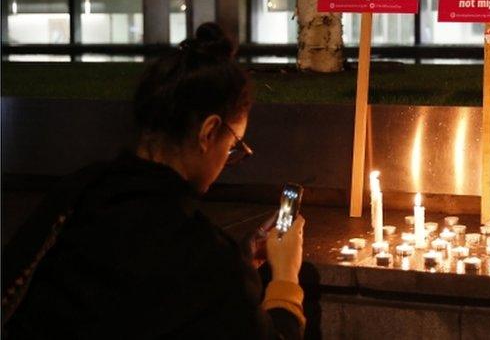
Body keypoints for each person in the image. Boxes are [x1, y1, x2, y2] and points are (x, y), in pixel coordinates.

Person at [2, 23, 306, 338]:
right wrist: (285, 277)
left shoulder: (79, 190)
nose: (228, 161)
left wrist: (240, 258)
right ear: (208, 133)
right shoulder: (205, 258)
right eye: (232, 146)